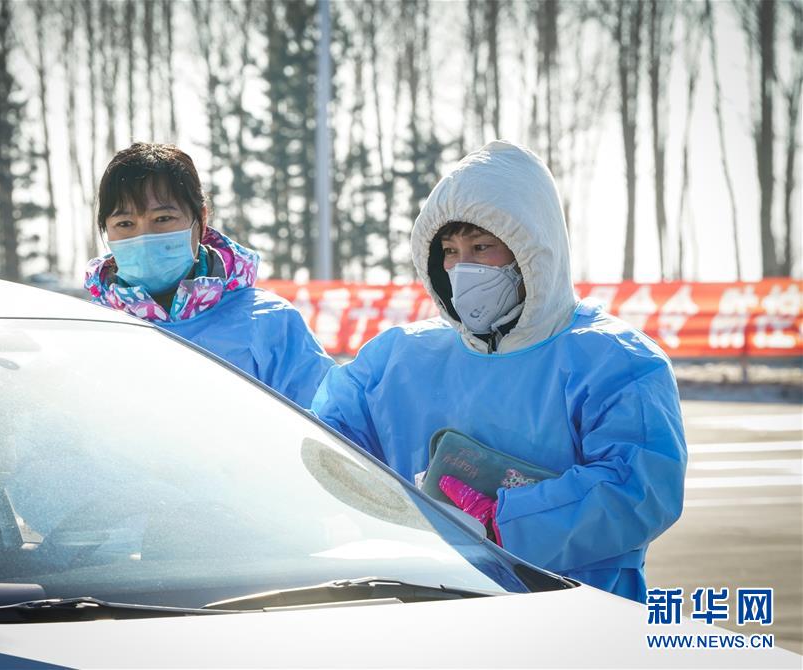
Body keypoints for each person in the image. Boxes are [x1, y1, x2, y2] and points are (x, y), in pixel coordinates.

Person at [311, 140, 687, 602]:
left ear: (531, 250)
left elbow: (641, 491)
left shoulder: (616, 360)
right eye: (450, 250)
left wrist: (503, 522)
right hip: (430, 605)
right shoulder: (396, 359)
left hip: (577, 611)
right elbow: (322, 445)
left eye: (482, 246)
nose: (462, 267)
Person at [85, 142, 334, 407]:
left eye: (163, 218)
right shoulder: (90, 331)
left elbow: (323, 420)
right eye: (125, 224)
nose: (144, 237)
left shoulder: (269, 323)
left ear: (201, 220)